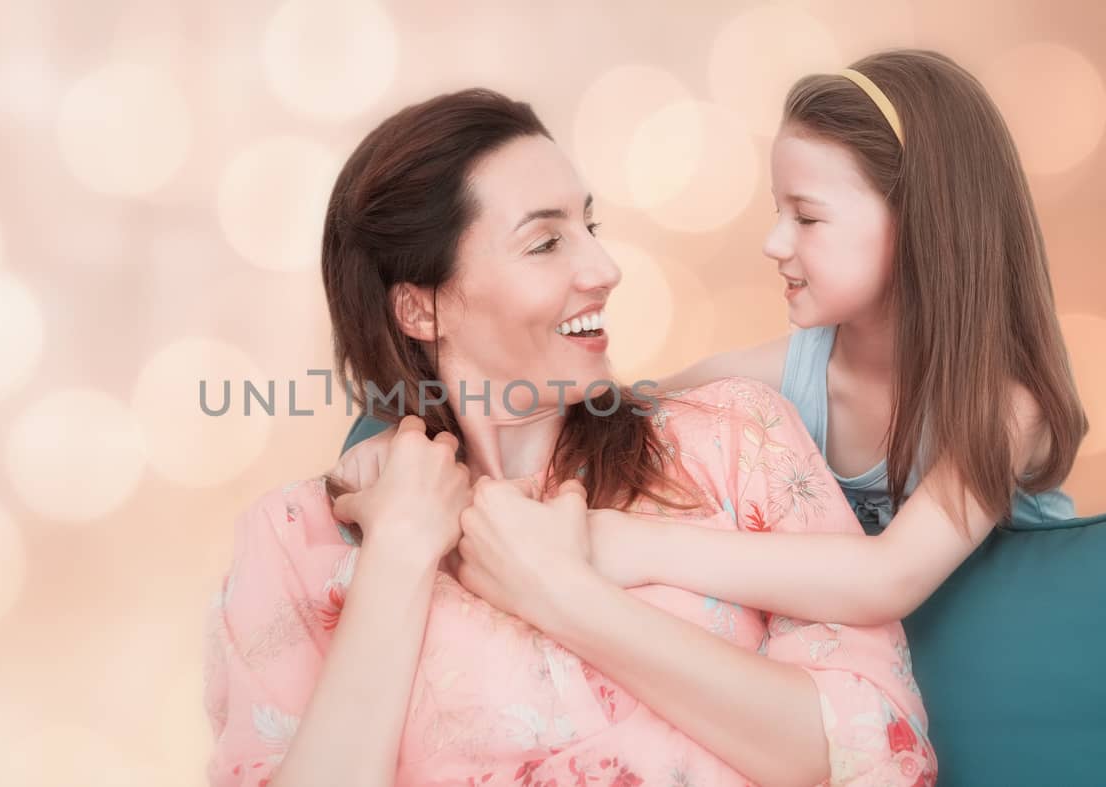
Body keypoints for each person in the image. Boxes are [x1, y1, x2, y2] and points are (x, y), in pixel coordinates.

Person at [206, 87, 936, 787]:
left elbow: (877, 748)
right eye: (546, 242)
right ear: (419, 308)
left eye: (591, 227)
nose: (605, 268)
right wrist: (397, 554)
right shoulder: (299, 540)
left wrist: (562, 593)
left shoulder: (736, 442)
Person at [340, 49, 1088, 627]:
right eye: (776, 209)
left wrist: (611, 544)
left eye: (808, 216)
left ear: (924, 224)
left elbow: (886, 578)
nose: (772, 242)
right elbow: (596, 410)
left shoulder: (1006, 410)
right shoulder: (778, 379)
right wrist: (406, 433)